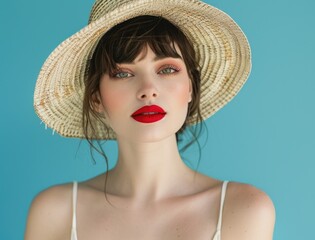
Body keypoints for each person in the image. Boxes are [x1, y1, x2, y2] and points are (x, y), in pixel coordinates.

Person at [25, 0, 275, 239]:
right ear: (96, 99)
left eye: (167, 69)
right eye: (123, 73)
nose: (148, 89)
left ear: (190, 87)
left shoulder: (244, 210)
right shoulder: (54, 212)